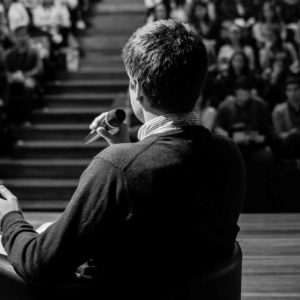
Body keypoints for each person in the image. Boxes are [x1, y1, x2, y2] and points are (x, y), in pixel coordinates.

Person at [0, 20, 246, 299]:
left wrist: (9, 218)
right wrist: (126, 148)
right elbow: (166, 230)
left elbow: (38, 264)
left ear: (137, 88)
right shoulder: (229, 153)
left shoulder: (116, 166)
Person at [272, 75, 300, 159]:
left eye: (296, 89)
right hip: (287, 143)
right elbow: (278, 133)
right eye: (289, 90)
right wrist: (290, 133)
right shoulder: (279, 110)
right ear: (286, 92)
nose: (293, 93)